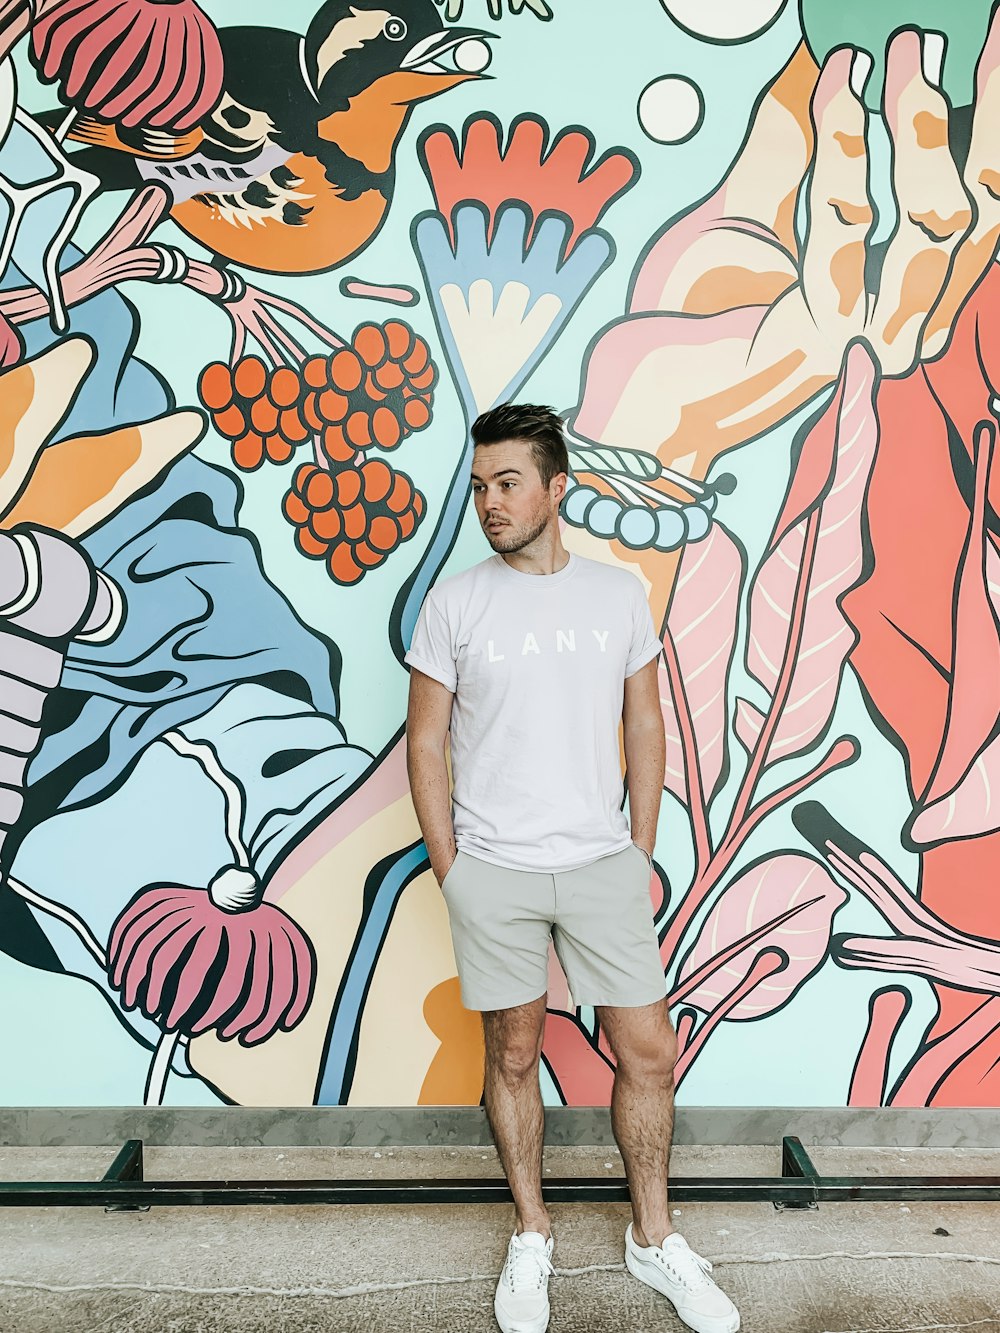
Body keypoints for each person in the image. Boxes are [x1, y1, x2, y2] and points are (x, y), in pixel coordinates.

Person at [404, 402, 740, 1333]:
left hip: (599, 861)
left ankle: (654, 1237)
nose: (489, 503)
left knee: (648, 1052)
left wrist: (637, 846)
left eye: (507, 483)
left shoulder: (616, 595)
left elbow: (645, 722)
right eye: (478, 486)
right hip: (495, 868)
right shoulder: (455, 602)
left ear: (558, 488)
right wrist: (452, 871)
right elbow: (424, 746)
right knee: (513, 1053)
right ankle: (532, 1233)